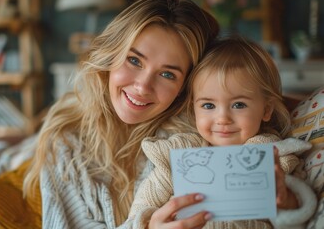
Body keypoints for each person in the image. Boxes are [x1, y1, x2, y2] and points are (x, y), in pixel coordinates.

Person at [23, 0, 220, 228]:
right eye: (134, 60)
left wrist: (272, 196)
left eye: (168, 74)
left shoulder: (194, 138)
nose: (143, 86)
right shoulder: (66, 136)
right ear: (112, 54)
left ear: (183, 86)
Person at [126, 37, 317, 229]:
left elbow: (302, 209)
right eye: (208, 105)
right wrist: (149, 225)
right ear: (194, 110)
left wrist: (285, 200)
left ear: (266, 110)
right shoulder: (178, 155)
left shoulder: (273, 155)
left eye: (238, 105)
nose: (223, 118)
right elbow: (141, 210)